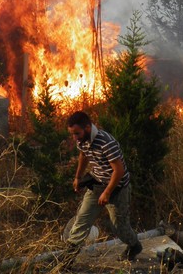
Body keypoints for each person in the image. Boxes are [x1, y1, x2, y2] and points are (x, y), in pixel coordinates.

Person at [60, 111, 142, 267]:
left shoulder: (107, 142)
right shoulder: (82, 140)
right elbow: (83, 156)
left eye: (77, 133)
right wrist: (78, 177)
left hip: (117, 188)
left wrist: (107, 192)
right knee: (81, 222)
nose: (75, 138)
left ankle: (134, 245)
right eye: (72, 134)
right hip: (97, 184)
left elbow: (119, 171)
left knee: (120, 228)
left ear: (88, 127)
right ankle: (66, 262)